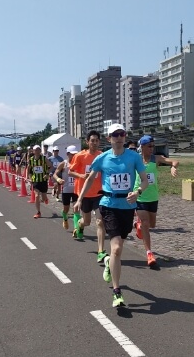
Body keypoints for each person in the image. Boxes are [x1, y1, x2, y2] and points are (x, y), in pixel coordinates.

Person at [74, 123, 148, 307]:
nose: (119, 137)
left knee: (119, 246)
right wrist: (79, 199)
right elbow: (90, 179)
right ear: (109, 139)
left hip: (127, 206)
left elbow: (145, 180)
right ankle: (117, 292)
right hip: (108, 204)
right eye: (115, 135)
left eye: (121, 134)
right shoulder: (103, 158)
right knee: (115, 248)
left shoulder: (134, 157)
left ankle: (109, 263)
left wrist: (138, 192)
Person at [133, 135, 179, 267]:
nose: (152, 148)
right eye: (149, 146)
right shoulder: (136, 160)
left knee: (152, 224)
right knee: (146, 223)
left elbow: (174, 161)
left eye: (153, 146)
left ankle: (138, 225)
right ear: (141, 147)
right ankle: (149, 253)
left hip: (153, 197)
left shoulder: (156, 159)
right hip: (140, 196)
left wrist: (173, 167)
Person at [69, 130, 107, 262]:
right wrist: (81, 176)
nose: (95, 143)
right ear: (87, 142)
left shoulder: (101, 156)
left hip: (98, 193)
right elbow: (70, 172)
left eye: (97, 140)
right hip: (84, 194)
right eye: (92, 140)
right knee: (86, 221)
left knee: (100, 221)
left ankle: (101, 251)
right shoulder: (80, 156)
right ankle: (79, 225)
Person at [53, 145, 79, 230]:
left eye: (75, 154)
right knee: (66, 209)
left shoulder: (79, 163)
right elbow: (55, 174)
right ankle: (65, 217)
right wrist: (58, 179)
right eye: (72, 154)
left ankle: (76, 229)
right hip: (66, 189)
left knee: (76, 208)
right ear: (68, 154)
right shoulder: (64, 163)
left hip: (76, 190)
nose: (74, 156)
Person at [26, 145, 51, 219]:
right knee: (37, 196)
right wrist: (27, 177)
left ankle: (45, 198)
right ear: (33, 151)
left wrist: (47, 174)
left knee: (43, 197)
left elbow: (51, 166)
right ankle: (38, 212)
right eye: (35, 150)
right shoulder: (31, 160)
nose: (37, 151)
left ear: (40, 151)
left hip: (43, 180)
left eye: (38, 150)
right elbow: (29, 168)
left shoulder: (44, 158)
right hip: (35, 180)